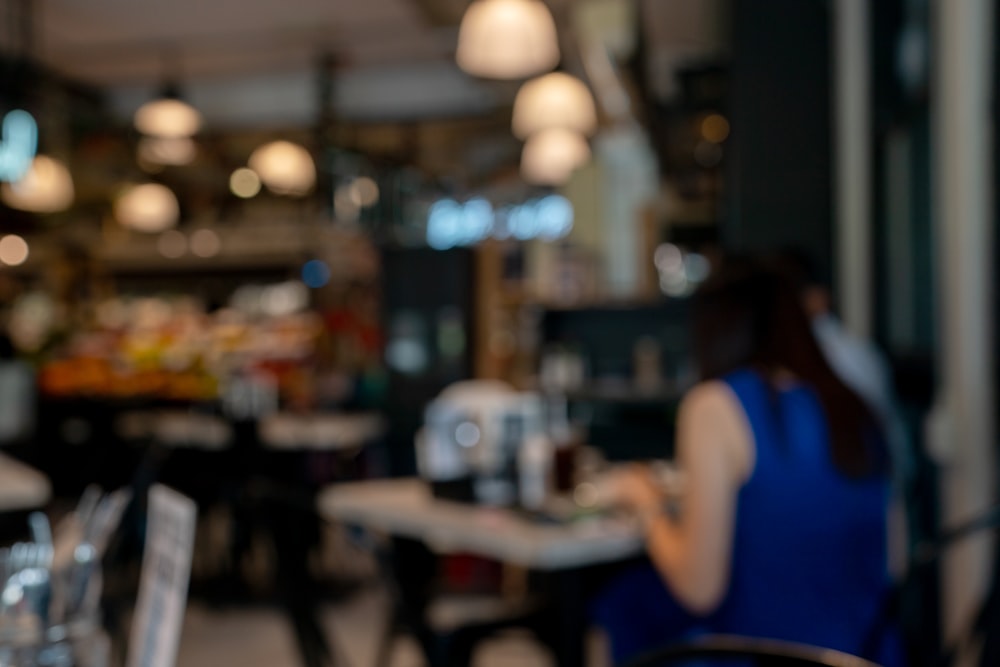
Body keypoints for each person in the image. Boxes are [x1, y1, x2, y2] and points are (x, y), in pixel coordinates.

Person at [591, 259, 902, 666]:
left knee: (623, 604)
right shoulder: (850, 403)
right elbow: (890, 556)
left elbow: (700, 589)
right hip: (866, 653)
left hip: (765, 654)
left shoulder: (716, 405)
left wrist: (645, 500)